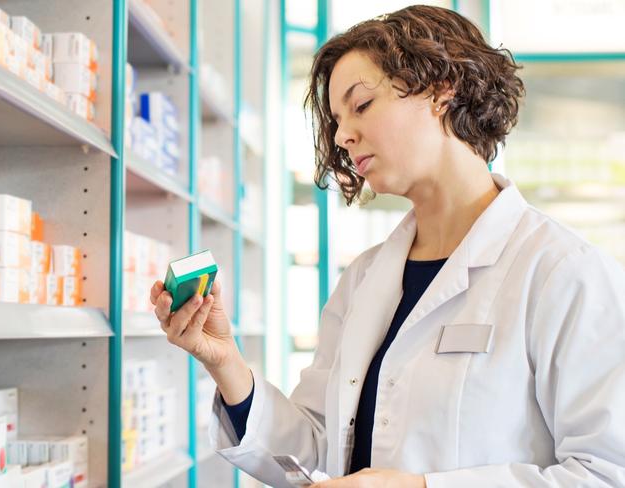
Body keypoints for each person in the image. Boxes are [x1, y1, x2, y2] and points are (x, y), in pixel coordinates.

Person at [150, 5, 625, 487]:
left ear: (441, 90)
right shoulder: (364, 278)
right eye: (336, 120)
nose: (343, 135)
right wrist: (224, 360)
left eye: (361, 106)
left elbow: (607, 472)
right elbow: (316, 450)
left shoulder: (563, 272)